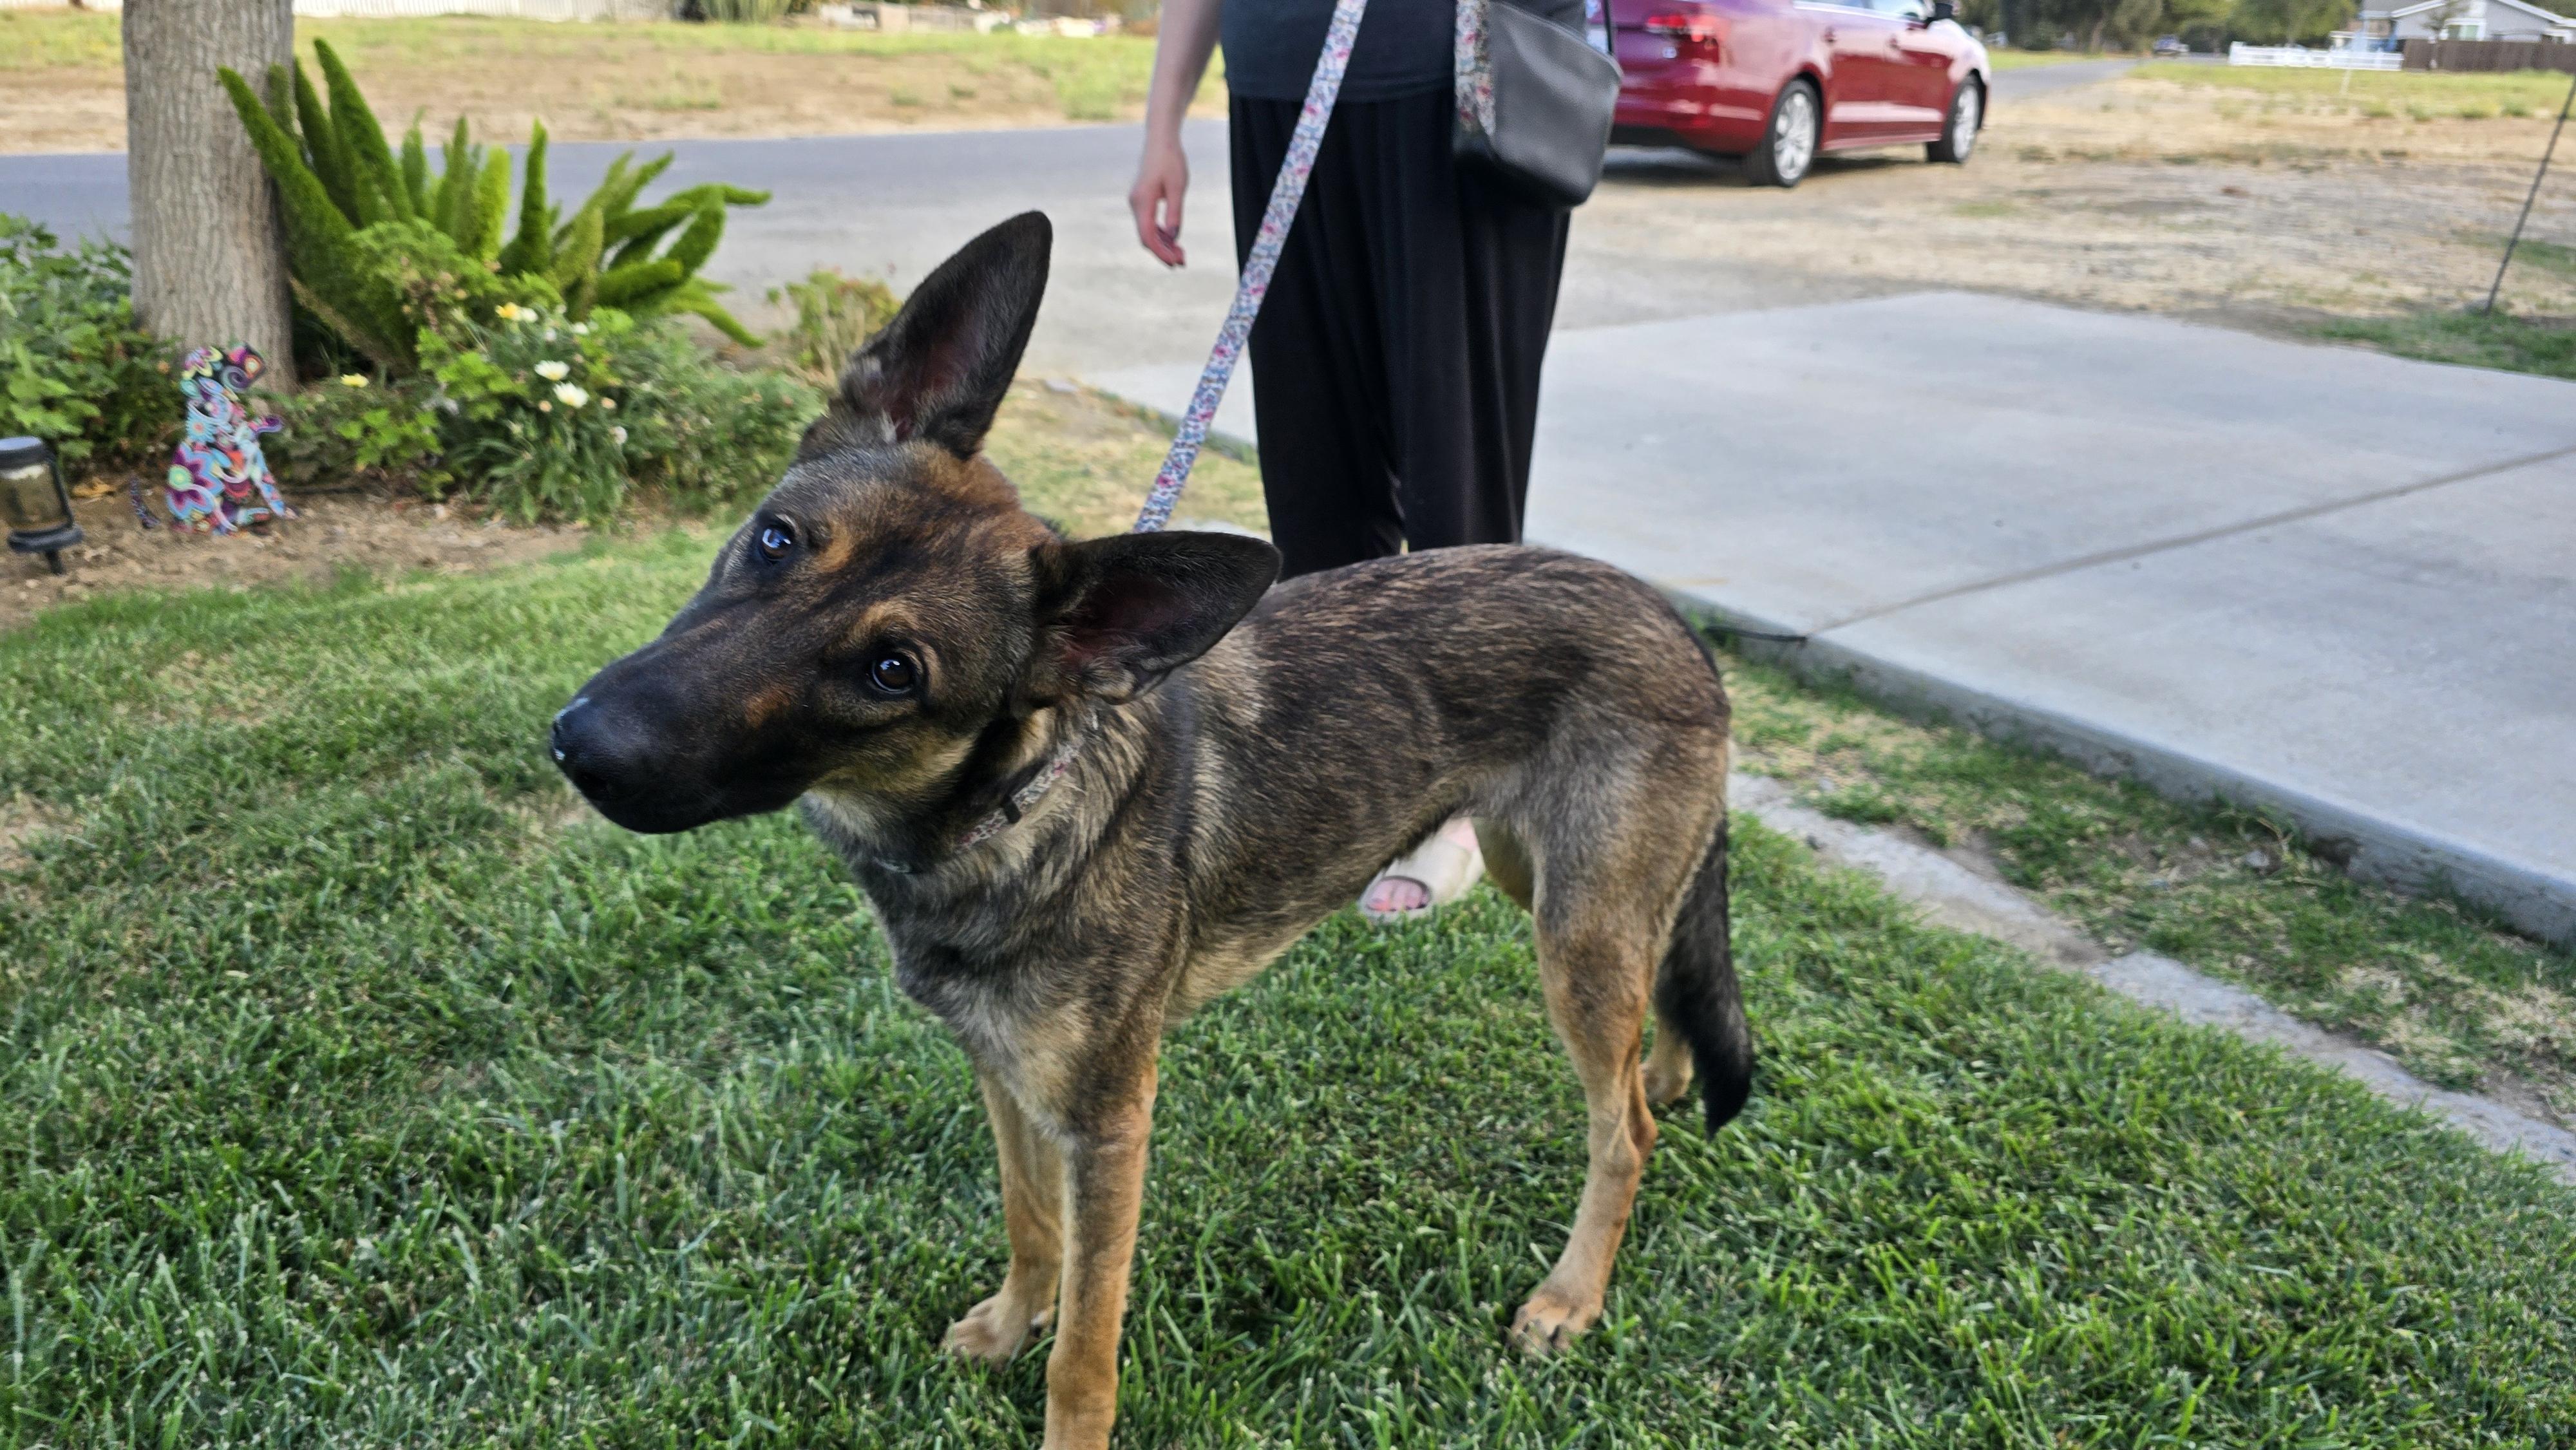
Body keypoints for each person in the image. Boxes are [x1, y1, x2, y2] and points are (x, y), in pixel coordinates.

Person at [1130, 0, 1573, 923]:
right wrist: (1162, 124)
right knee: (1311, 464)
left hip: (1449, 91)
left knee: (1458, 463)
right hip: (1276, 94)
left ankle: (1460, 795)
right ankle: (1361, 776)